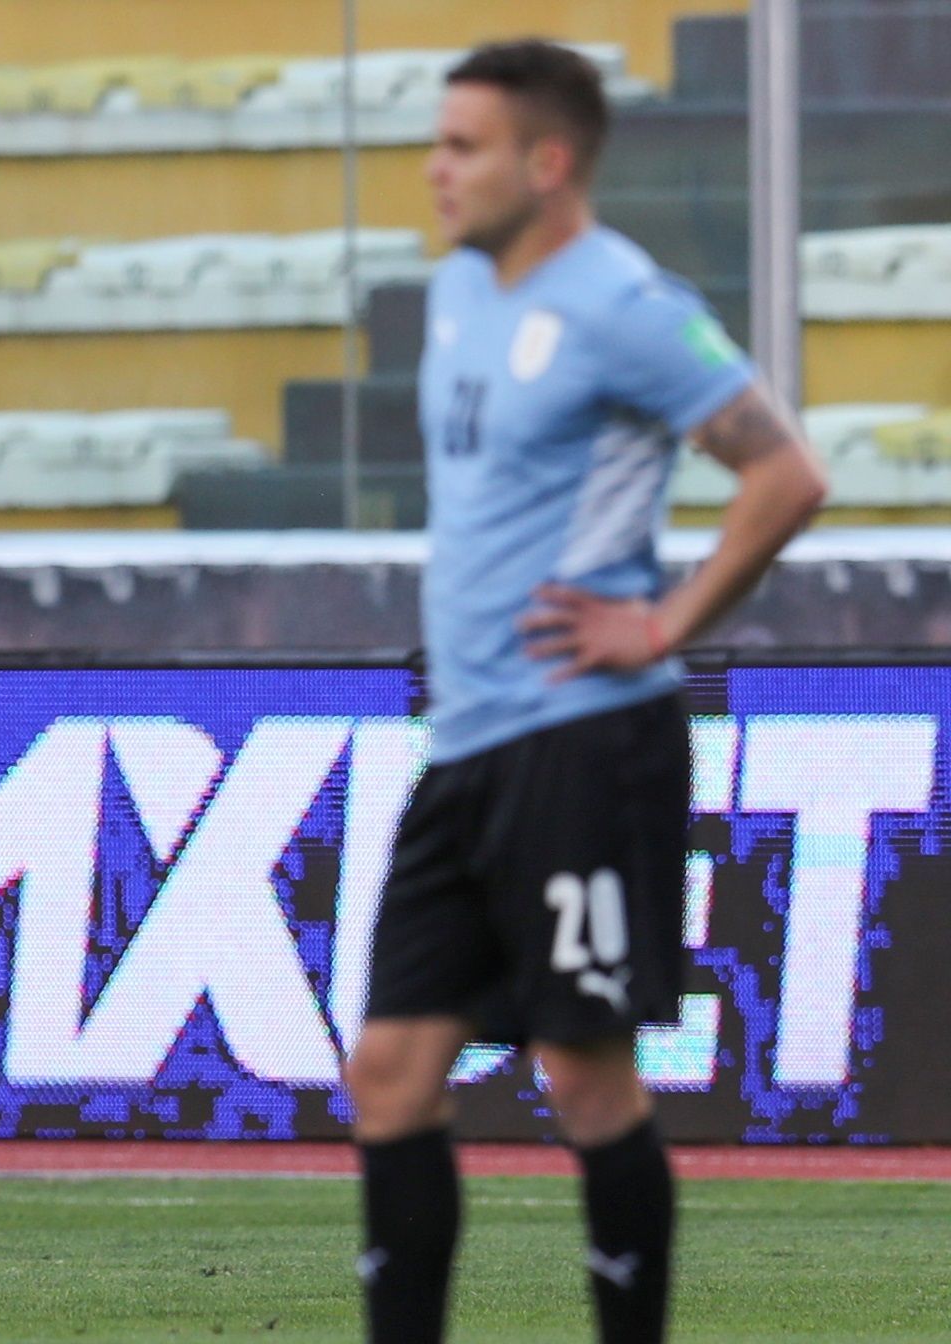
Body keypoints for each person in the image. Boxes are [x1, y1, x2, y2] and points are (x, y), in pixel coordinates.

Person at [341, 40, 827, 1344]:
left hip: (586, 741)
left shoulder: (624, 301)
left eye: (464, 146)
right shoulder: (455, 292)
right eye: (436, 142)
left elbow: (787, 473)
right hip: (468, 742)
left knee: (586, 1079)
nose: (436, 169)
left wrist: (664, 620)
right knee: (387, 1072)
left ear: (546, 163)